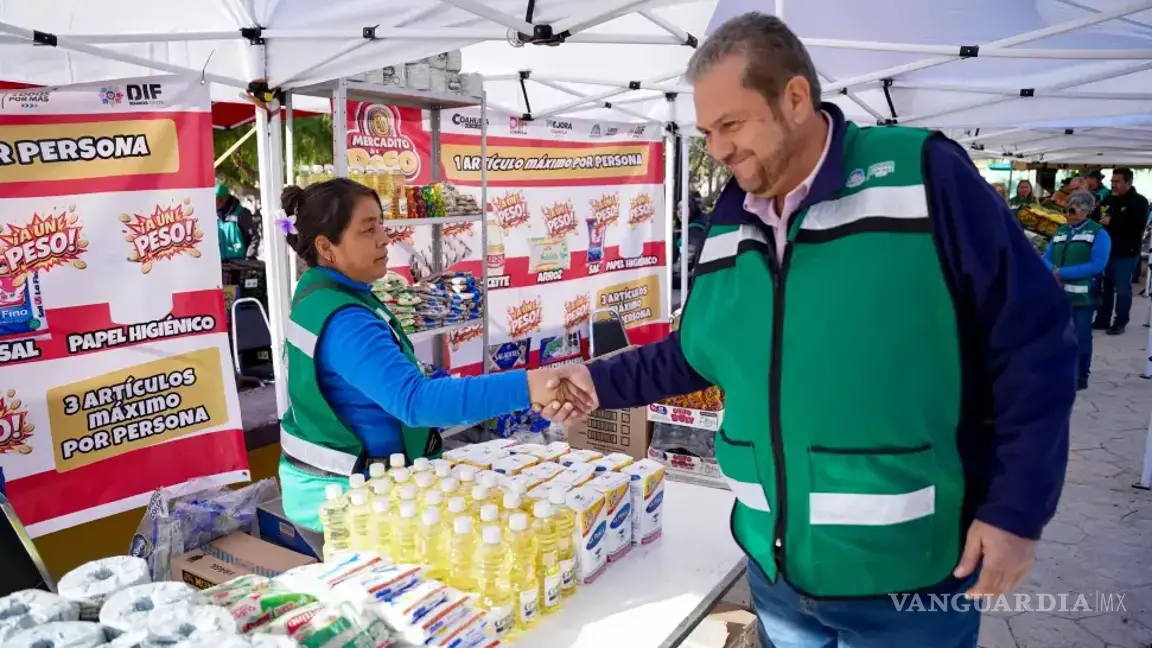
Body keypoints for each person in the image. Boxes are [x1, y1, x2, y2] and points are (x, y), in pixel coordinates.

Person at [552, 12, 1074, 647]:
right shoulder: (730, 215)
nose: (717, 149)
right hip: (776, 573)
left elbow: (1033, 343)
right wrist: (594, 381)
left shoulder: (922, 176)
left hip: (907, 572)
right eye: (708, 132)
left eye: (732, 124)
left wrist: (1016, 511)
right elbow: (699, 352)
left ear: (795, 98)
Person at [276, 178, 591, 530]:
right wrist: (531, 386)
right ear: (326, 246)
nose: (384, 238)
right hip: (344, 499)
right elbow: (416, 402)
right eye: (367, 230)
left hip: (335, 485)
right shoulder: (345, 319)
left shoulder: (322, 294)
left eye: (381, 224)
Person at [1044, 191, 1110, 390]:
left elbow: (1098, 264)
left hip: (1082, 295)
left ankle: (1080, 376)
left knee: (1080, 336)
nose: (1066, 214)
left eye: (1070, 210)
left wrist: (1063, 272)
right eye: (1064, 209)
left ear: (1085, 211)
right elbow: (1046, 255)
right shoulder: (1061, 231)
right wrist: (1052, 270)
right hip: (1057, 295)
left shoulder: (1099, 233)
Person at [1093, 168, 1149, 334]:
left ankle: (1120, 322)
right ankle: (1103, 319)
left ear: (1128, 182)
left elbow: (1138, 225)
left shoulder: (1139, 202)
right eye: (1112, 182)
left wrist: (1113, 221)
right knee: (1105, 288)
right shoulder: (1108, 199)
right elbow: (1097, 217)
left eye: (1117, 182)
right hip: (1107, 252)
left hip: (1126, 252)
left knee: (1123, 289)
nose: (1113, 185)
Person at [216, 182, 258, 260]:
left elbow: (254, 237)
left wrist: (249, 256)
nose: (214, 203)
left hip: (239, 264)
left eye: (217, 199)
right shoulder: (213, 216)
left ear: (225, 199)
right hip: (220, 264)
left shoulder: (241, 213)